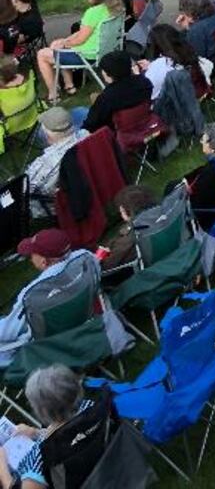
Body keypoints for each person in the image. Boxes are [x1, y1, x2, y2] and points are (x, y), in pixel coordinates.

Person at [0, 230, 129, 368]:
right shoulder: (86, 257)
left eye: (32, 254)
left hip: (52, 347)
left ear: (44, 262)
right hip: (87, 322)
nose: (30, 257)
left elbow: (7, 333)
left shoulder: (31, 295)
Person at [23, 106, 87, 220]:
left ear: (48, 135)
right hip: (88, 184)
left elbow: (26, 189)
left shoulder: (48, 162)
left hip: (54, 203)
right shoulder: (85, 135)